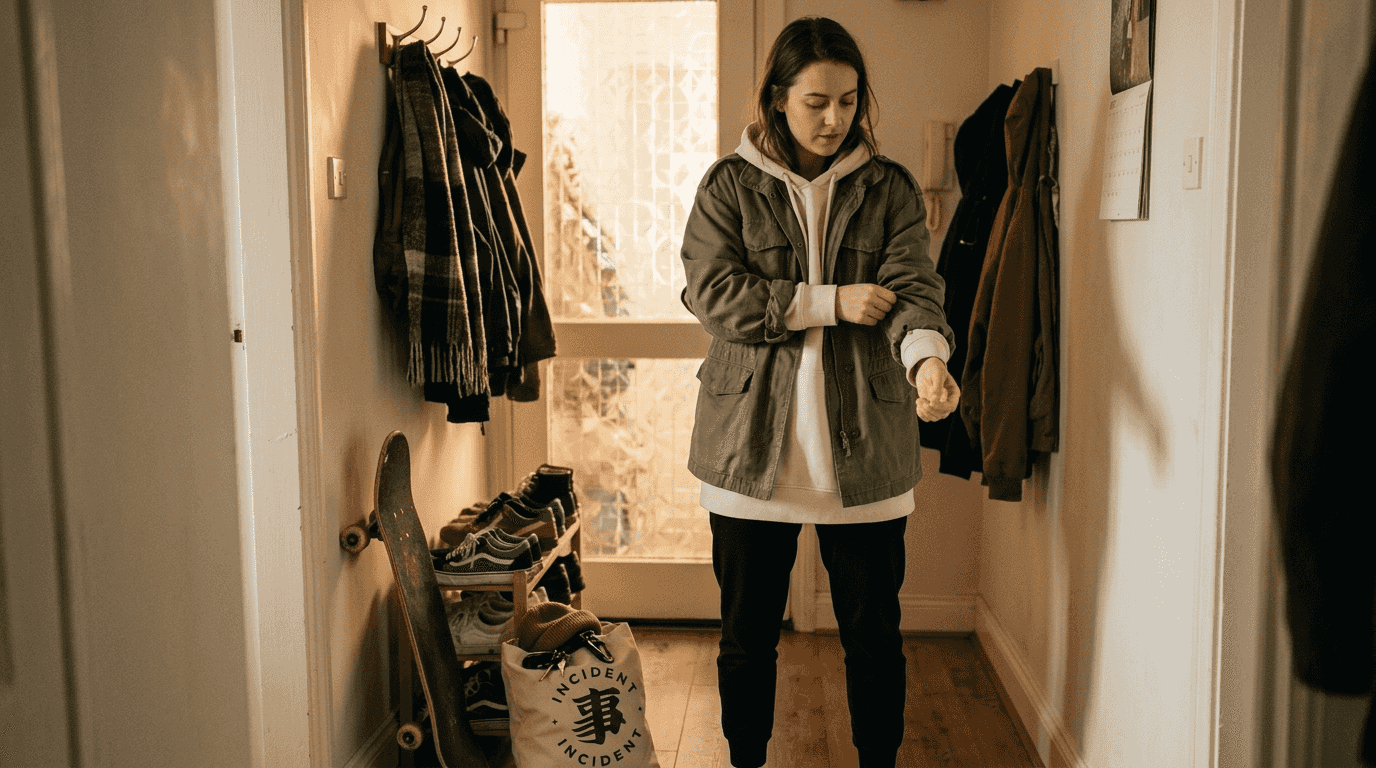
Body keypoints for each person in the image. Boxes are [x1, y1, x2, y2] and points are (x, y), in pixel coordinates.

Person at [678, 17, 960, 768]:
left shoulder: (889, 188)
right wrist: (827, 302)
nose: (834, 118)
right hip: (750, 453)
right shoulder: (728, 187)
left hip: (864, 454)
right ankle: (744, 761)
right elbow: (713, 296)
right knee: (747, 639)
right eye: (815, 102)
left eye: (847, 100)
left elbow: (913, 291)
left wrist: (927, 361)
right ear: (776, 100)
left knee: (874, 638)